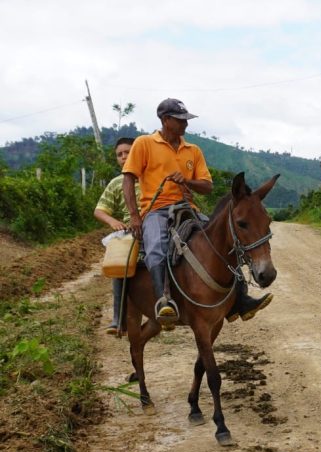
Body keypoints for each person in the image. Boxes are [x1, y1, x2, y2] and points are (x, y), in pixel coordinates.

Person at [122, 98, 272, 328]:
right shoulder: (144, 143)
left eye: (186, 120)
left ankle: (240, 299)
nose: (185, 125)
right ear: (165, 120)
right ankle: (165, 300)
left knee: (224, 240)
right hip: (156, 210)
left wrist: (188, 182)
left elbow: (207, 186)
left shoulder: (193, 150)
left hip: (188, 209)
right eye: (180, 120)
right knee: (155, 247)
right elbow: (128, 179)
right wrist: (134, 216)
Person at [94, 137, 140, 335]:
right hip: (130, 231)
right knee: (118, 263)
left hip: (157, 224)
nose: (123, 157)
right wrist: (113, 222)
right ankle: (118, 318)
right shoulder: (116, 183)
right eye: (119, 154)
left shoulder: (151, 176)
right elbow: (99, 210)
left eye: (128, 152)